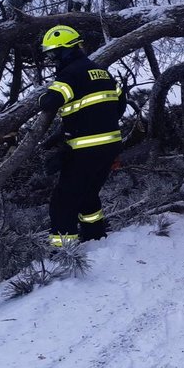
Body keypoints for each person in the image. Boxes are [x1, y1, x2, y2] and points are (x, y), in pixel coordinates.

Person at [38, 25, 125, 247]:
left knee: (63, 201)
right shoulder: (103, 72)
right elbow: (120, 106)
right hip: (111, 146)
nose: (51, 58)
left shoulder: (70, 74)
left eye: (53, 53)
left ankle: (64, 252)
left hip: (85, 150)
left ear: (65, 50)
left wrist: (42, 97)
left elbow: (50, 102)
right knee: (88, 194)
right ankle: (95, 238)